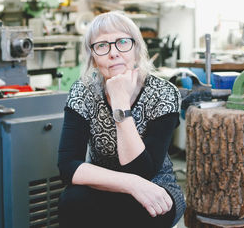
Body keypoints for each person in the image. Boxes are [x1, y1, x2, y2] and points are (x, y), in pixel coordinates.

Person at [57, 11, 185, 228]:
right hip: (103, 182)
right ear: (93, 58)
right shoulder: (83, 91)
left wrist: (120, 103)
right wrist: (130, 183)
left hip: (154, 184)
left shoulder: (163, 93)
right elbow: (68, 166)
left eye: (122, 42)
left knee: (147, 212)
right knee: (71, 201)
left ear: (136, 50)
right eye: (102, 46)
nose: (113, 53)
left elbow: (143, 172)